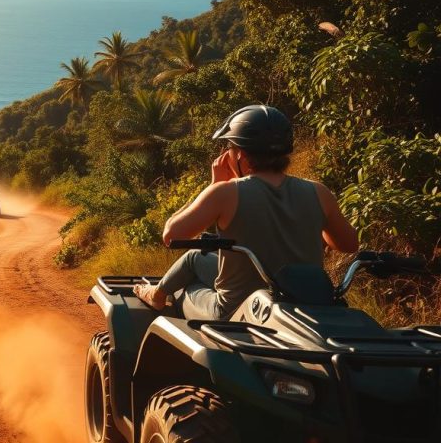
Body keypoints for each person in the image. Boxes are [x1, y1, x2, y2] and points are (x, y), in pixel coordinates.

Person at [133, 105, 358, 320]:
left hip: (237, 311)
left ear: (239, 154)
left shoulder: (226, 193)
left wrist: (213, 186)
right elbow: (348, 244)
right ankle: (157, 293)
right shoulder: (318, 191)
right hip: (303, 305)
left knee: (186, 284)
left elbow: (171, 235)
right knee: (194, 259)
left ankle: (156, 296)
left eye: (228, 148)